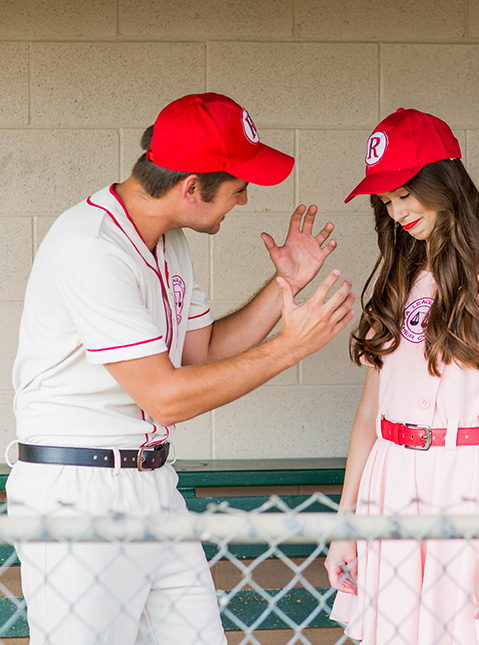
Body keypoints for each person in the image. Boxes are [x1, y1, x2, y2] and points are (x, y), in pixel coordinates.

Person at [6, 93, 356, 645]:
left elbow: (202, 354)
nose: (243, 200)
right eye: (239, 188)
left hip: (153, 484)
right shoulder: (90, 247)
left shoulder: (168, 239)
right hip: (81, 493)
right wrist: (290, 349)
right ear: (191, 187)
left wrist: (284, 287)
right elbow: (165, 396)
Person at [324, 108, 479, 644]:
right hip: (391, 475)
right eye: (386, 200)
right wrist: (346, 524)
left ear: (443, 180)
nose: (397, 210)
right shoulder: (402, 277)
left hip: (468, 480)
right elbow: (367, 418)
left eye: (406, 191)